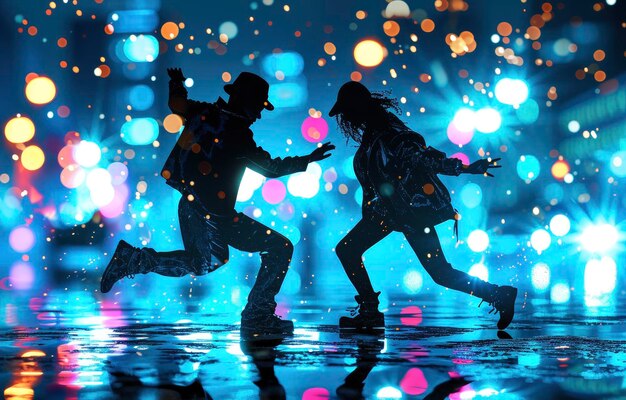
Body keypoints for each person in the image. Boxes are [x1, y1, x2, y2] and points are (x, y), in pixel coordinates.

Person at [100, 68, 334, 336]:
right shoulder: (238, 134)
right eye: (258, 106)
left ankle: (135, 260)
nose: (258, 115)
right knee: (278, 247)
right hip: (211, 212)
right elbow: (270, 168)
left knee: (206, 261)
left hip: (198, 207)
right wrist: (306, 160)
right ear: (244, 101)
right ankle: (258, 313)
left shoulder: (204, 113)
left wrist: (177, 83)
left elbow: (177, 105)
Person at [329, 81, 517, 332]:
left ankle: (371, 312)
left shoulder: (389, 132)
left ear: (357, 108)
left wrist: (467, 168)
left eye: (347, 111)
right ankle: (370, 311)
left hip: (407, 213)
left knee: (438, 272)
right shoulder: (375, 132)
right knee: (350, 251)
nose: (346, 118)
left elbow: (425, 159)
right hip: (394, 213)